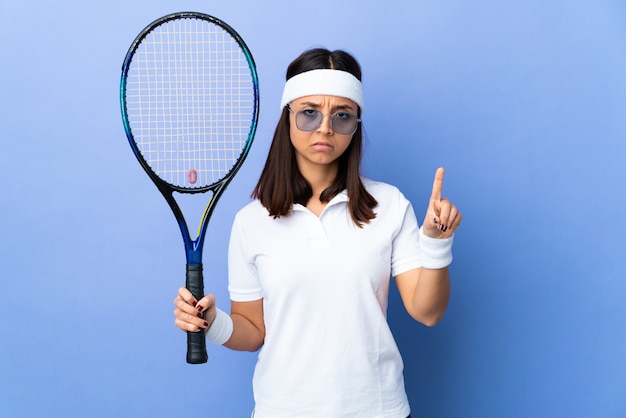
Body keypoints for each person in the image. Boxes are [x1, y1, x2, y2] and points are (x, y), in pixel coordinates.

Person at [173, 48, 462, 418]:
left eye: (342, 116)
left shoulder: (389, 205)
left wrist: (436, 245)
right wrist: (211, 323)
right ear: (288, 117)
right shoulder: (251, 221)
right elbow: (253, 331)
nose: (325, 127)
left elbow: (427, 312)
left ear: (356, 126)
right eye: (309, 113)